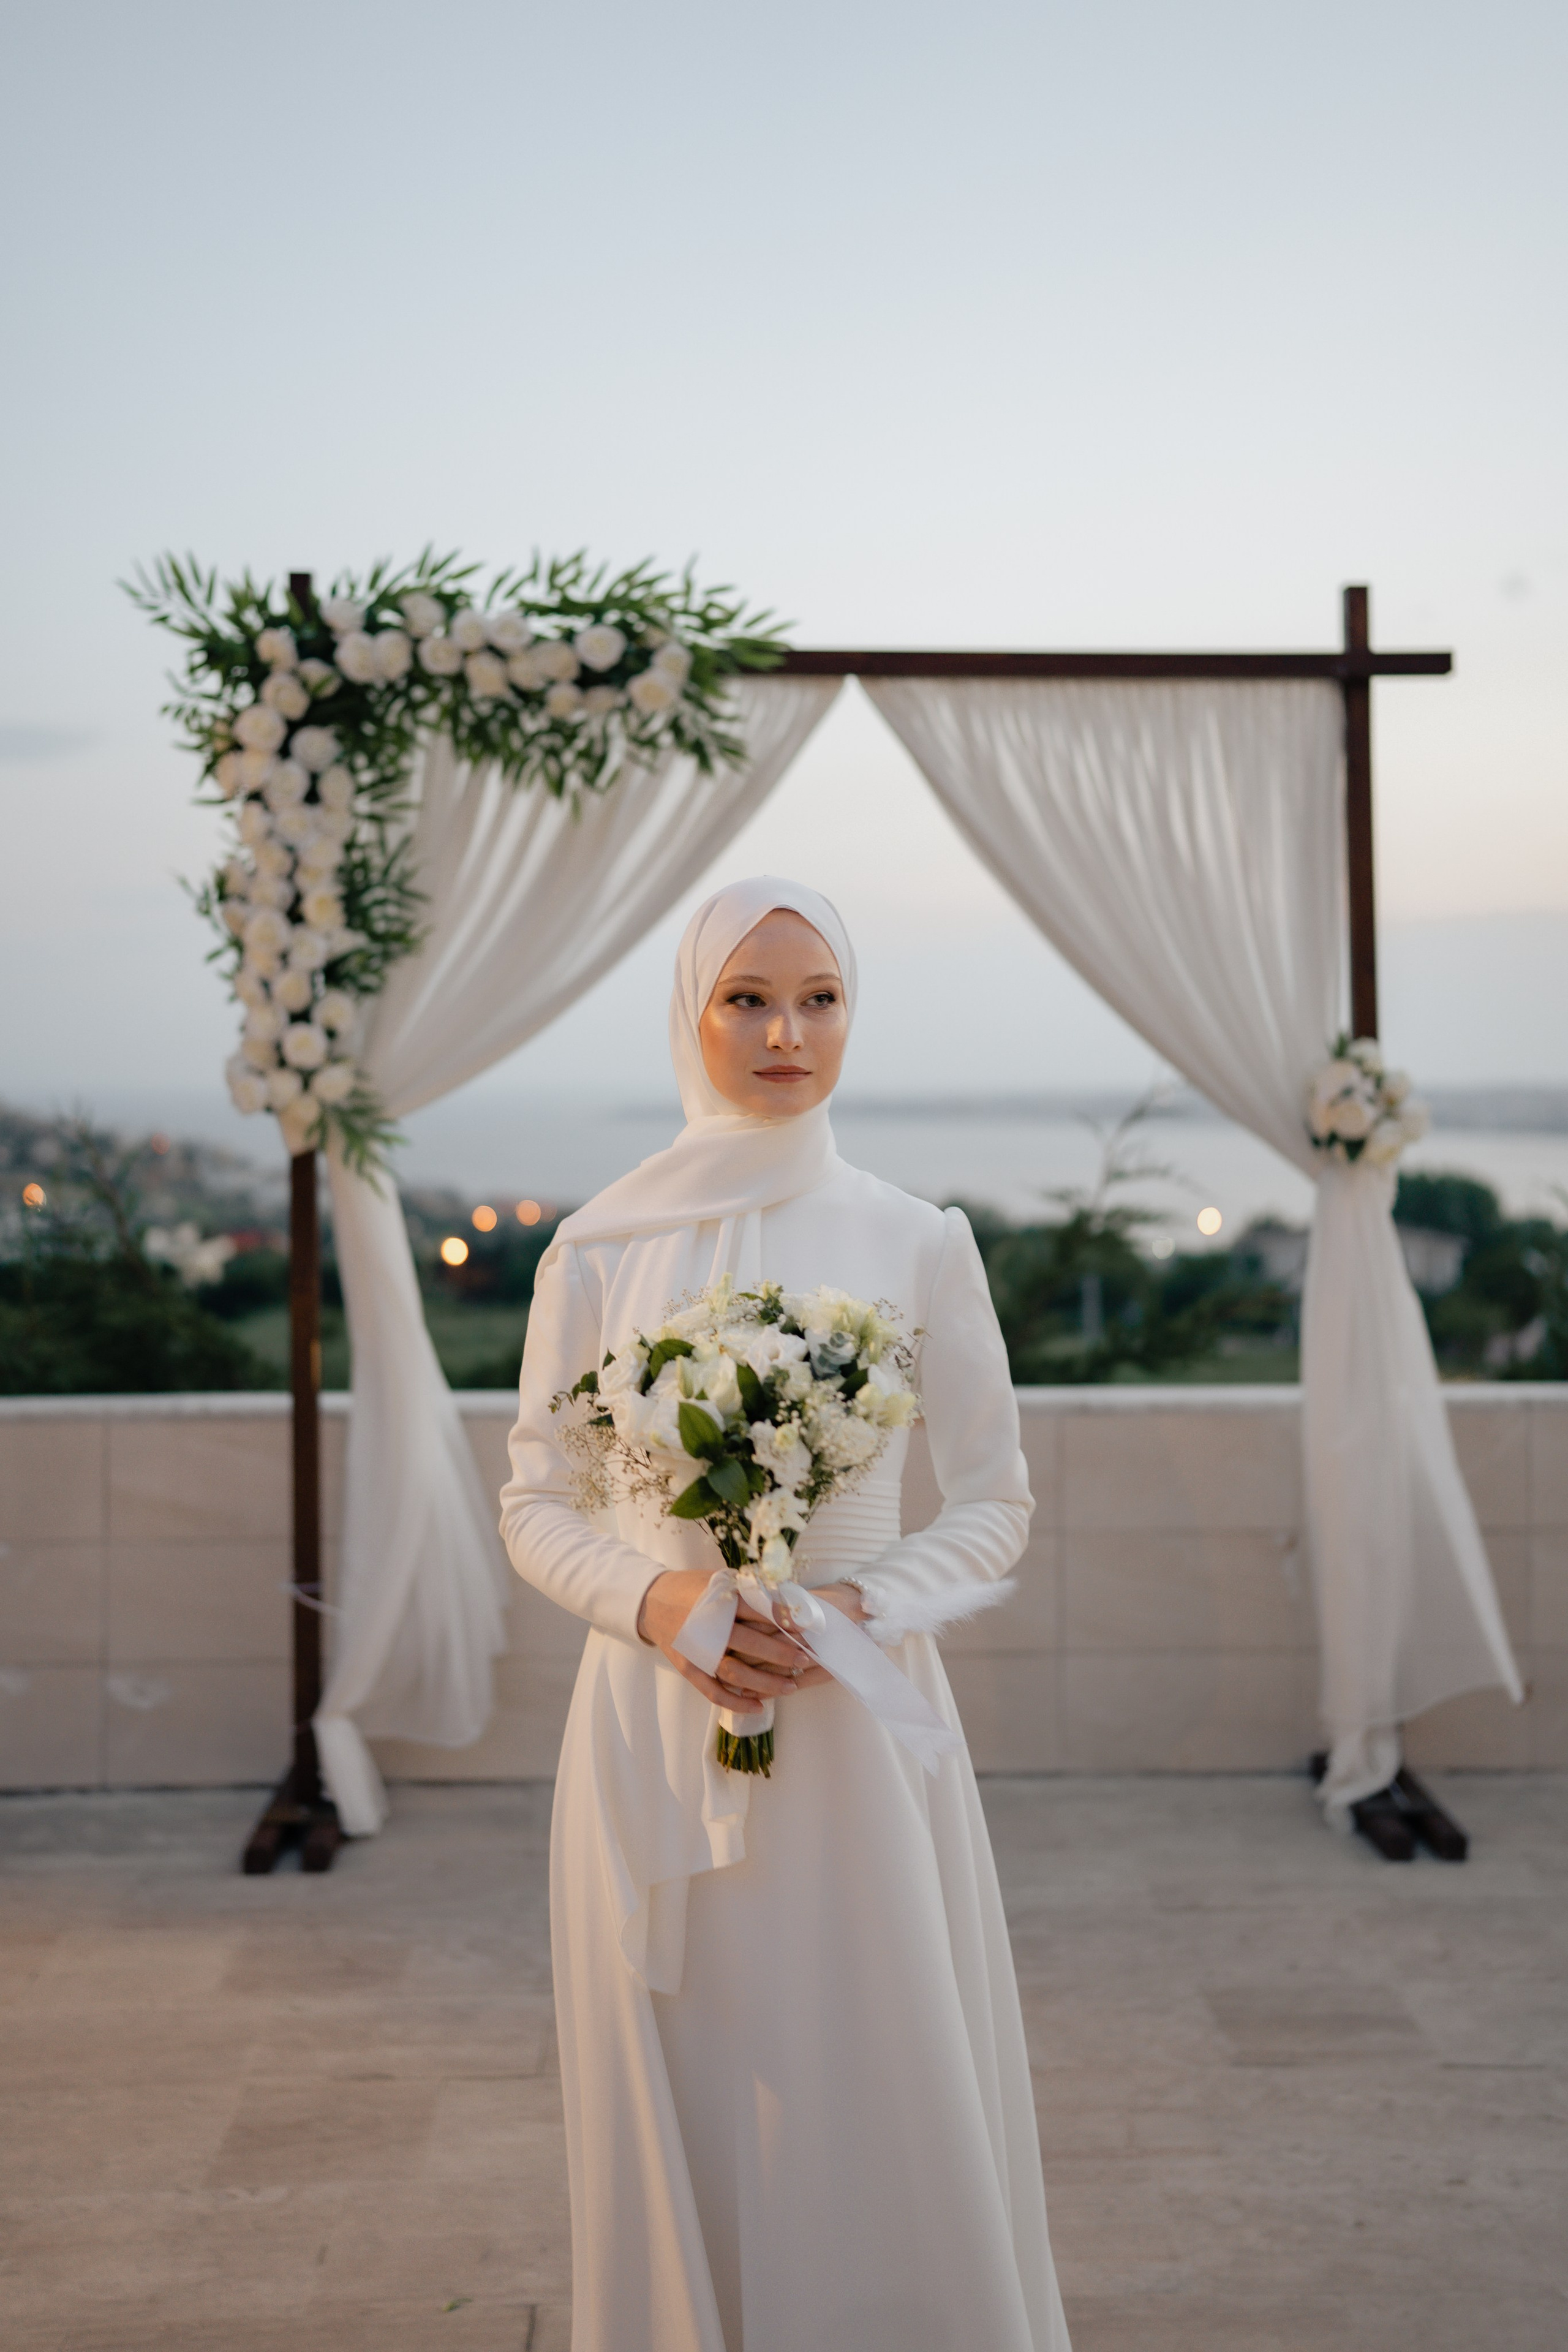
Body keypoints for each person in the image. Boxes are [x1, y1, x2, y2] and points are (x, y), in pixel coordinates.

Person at [500, 876, 1071, 2352]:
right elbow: (534, 1504)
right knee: (681, 2078)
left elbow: (996, 1500)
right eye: (746, 998)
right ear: (690, 1016)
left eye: (818, 1000)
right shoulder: (600, 1248)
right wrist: (657, 1595)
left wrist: (860, 1608)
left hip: (852, 1729)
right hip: (649, 1721)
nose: (784, 1033)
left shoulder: (916, 1238)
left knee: (870, 2079)